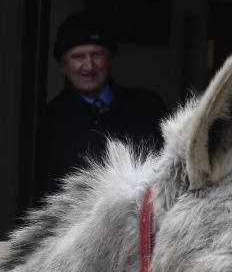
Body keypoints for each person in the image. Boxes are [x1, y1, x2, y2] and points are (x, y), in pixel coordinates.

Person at [39, 11, 167, 196]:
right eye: (78, 57)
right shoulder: (48, 121)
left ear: (109, 58)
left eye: (97, 54)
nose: (89, 66)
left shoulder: (148, 107)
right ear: (64, 64)